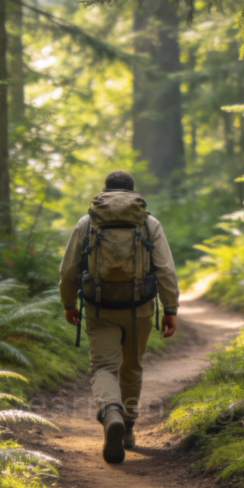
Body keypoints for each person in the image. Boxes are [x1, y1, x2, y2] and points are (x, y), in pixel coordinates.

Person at [59, 171, 179, 464]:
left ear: (105, 192)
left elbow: (68, 271)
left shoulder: (87, 223)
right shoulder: (148, 223)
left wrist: (68, 303)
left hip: (99, 306)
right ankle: (126, 428)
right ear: (132, 193)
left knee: (103, 367)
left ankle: (110, 411)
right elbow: (165, 269)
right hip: (139, 306)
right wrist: (170, 308)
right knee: (132, 366)